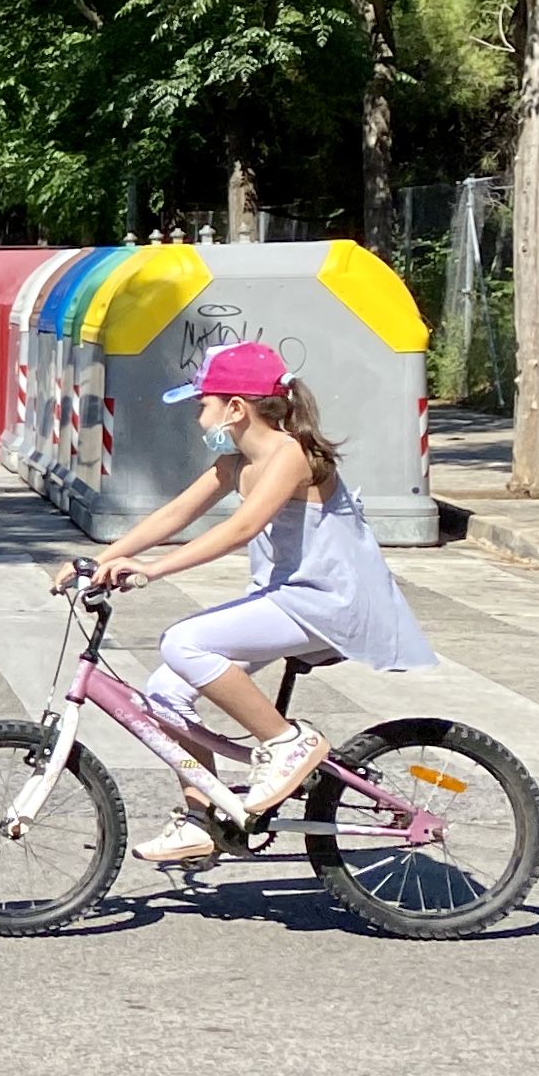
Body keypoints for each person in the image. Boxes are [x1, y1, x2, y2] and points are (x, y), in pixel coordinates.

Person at [67, 339, 433, 866]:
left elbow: (243, 527)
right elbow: (175, 514)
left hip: (328, 604)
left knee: (183, 642)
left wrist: (153, 570)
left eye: (203, 403)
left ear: (235, 407)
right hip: (285, 600)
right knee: (166, 691)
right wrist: (105, 558)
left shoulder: (290, 456)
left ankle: (285, 743)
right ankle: (201, 817)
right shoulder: (237, 461)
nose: (199, 416)